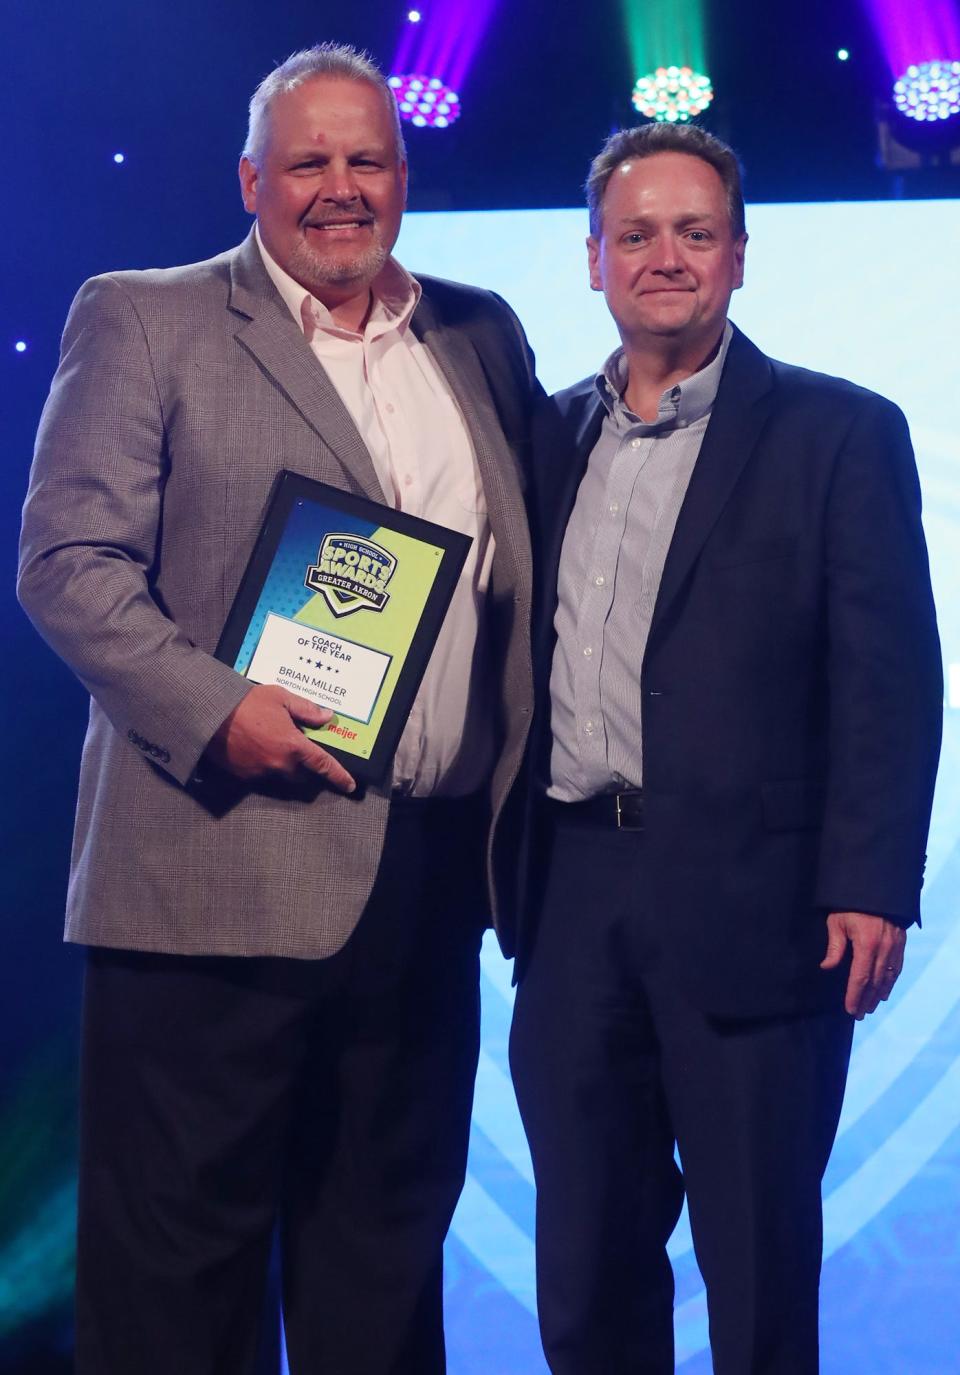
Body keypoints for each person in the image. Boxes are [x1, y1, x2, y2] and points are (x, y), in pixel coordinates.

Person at [18, 42, 536, 1375]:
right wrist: (217, 706)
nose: (341, 187)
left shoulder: (479, 333)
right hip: (211, 865)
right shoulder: (146, 315)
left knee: (381, 1271)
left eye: (368, 159)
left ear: (405, 176)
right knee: (178, 1291)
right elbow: (68, 565)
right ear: (252, 179)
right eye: (309, 161)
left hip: (421, 892)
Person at [508, 122, 942, 1374]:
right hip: (573, 894)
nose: (665, 257)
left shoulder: (840, 434)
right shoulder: (542, 439)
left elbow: (891, 676)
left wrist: (869, 880)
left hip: (763, 909)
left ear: (741, 257)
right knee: (586, 1275)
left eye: (695, 233)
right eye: (635, 234)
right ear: (592, 261)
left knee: (756, 1284)